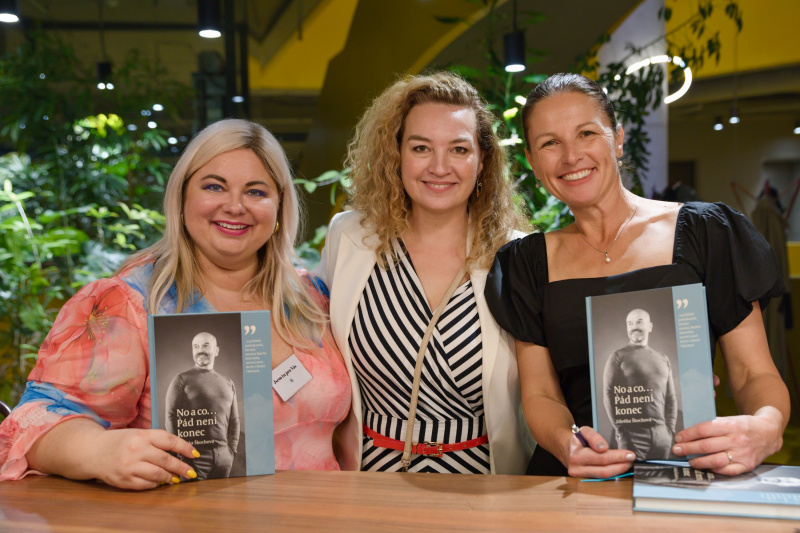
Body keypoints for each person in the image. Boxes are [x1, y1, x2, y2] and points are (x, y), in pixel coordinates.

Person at [0, 119, 351, 489]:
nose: (235, 206)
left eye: (256, 191)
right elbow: (35, 420)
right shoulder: (131, 303)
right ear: (182, 198)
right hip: (192, 514)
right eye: (214, 186)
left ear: (279, 207)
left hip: (321, 511)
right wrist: (99, 449)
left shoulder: (312, 298)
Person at [485, 73, 790, 478]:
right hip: (574, 480)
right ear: (531, 161)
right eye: (549, 143)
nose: (571, 156)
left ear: (617, 138)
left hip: (686, 472)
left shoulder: (706, 233)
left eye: (586, 133)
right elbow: (541, 394)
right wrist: (566, 445)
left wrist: (768, 426)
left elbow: (754, 373)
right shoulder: (525, 262)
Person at [315, 72, 531, 474]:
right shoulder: (349, 237)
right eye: (420, 148)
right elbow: (307, 343)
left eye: (459, 149)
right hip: (369, 479)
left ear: (482, 160)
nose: (439, 166)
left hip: (484, 482)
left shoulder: (517, 255)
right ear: (396, 154)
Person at [602, 309, 677, 460]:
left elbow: (671, 398)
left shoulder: (663, 358)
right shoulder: (618, 356)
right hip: (632, 436)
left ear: (650, 326)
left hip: (662, 436)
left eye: (639, 322)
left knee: (661, 476)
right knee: (630, 476)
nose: (634, 327)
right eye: (630, 324)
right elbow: (608, 394)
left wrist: (670, 430)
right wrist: (620, 430)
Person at [164, 332, 240, 480]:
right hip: (194, 458)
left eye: (205, 346)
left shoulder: (228, 383)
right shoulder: (181, 380)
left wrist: (231, 451)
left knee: (224, 495)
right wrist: (180, 452)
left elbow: (234, 421)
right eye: (196, 347)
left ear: (216, 351)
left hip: (224, 458)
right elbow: (170, 416)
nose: (200, 350)